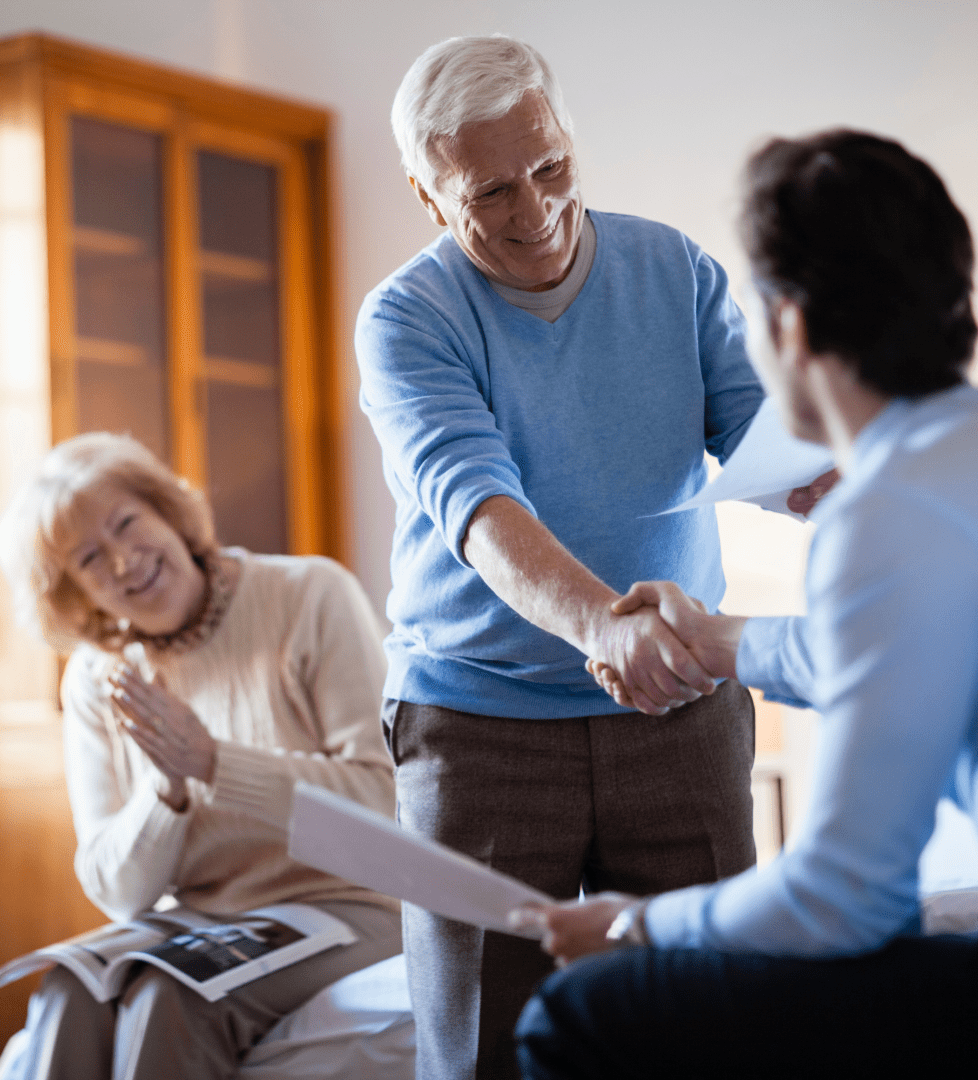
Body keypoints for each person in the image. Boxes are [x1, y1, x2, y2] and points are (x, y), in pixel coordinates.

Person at [354, 34, 841, 1080]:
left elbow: (771, 444)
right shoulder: (407, 318)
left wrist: (831, 483)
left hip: (677, 711)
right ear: (427, 194)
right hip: (478, 727)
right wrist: (600, 625)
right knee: (481, 1051)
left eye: (551, 168)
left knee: (706, 1030)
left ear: (570, 139)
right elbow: (477, 504)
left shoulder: (675, 271)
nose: (533, 212)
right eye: (488, 192)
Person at [512, 129, 978, 1078]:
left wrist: (638, 924)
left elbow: (843, 898)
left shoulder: (888, 508)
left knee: (580, 1013)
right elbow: (891, 653)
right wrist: (718, 644)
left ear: (787, 324)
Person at [0, 432, 403, 1080]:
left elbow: (387, 806)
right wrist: (167, 790)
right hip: (204, 917)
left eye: (127, 522)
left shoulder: (309, 595)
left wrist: (214, 762)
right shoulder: (97, 679)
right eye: (91, 559)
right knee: (69, 990)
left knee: (172, 997)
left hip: (351, 903)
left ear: (170, 513)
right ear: (76, 594)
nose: (126, 562)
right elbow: (118, 892)